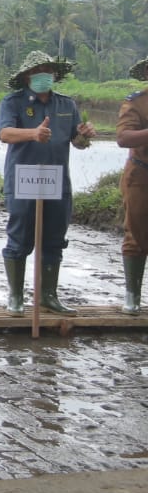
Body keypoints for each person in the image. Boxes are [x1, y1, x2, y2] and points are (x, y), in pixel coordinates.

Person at [0, 50, 96, 316]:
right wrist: (33, 133)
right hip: (23, 180)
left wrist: (84, 136)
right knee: (20, 237)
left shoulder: (66, 105)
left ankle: (48, 296)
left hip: (57, 181)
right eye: (38, 70)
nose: (44, 74)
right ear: (27, 76)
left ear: (55, 74)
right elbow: (4, 133)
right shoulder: (13, 102)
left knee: (54, 238)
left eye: (48, 70)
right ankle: (16, 297)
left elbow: (77, 142)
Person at [117, 56, 148, 315]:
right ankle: (132, 295)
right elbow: (124, 137)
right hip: (142, 176)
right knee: (136, 233)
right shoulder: (136, 102)